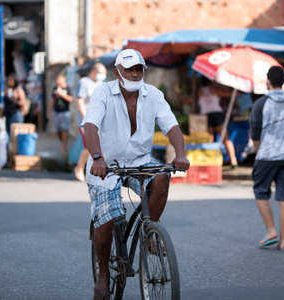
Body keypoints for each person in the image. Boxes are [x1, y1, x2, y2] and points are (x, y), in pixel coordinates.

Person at [82, 49, 190, 299]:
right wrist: (97, 158)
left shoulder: (153, 95)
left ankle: (151, 231)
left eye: (139, 69)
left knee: (163, 177)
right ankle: (103, 275)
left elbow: (171, 125)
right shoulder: (103, 93)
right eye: (130, 69)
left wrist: (181, 154)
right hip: (106, 166)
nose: (135, 73)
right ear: (117, 71)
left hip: (139, 161)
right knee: (108, 217)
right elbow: (90, 126)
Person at [250, 66, 284, 252]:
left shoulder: (261, 104)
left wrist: (259, 151)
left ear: (267, 82)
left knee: (261, 192)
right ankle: (283, 242)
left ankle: (271, 230)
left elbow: (255, 134)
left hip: (266, 155)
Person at [74, 61, 107, 182]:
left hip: (100, 121)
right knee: (88, 146)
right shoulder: (84, 82)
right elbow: (80, 101)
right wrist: (86, 119)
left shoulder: (100, 84)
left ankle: (93, 170)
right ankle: (79, 168)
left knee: (99, 146)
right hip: (87, 121)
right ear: (94, 72)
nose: (103, 76)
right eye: (101, 73)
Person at [198, 82, 238, 168]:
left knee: (209, 139)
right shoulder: (214, 89)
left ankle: (211, 161)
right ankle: (233, 160)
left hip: (207, 115)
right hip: (216, 115)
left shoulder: (199, 91)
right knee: (225, 138)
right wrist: (237, 93)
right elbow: (227, 94)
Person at [47, 74, 73, 153]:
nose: (58, 81)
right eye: (57, 79)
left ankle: (64, 147)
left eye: (59, 79)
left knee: (65, 130)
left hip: (65, 112)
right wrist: (49, 111)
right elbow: (53, 100)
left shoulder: (68, 88)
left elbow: (71, 99)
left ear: (64, 79)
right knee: (58, 131)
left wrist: (62, 94)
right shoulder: (55, 88)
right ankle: (63, 143)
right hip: (56, 112)